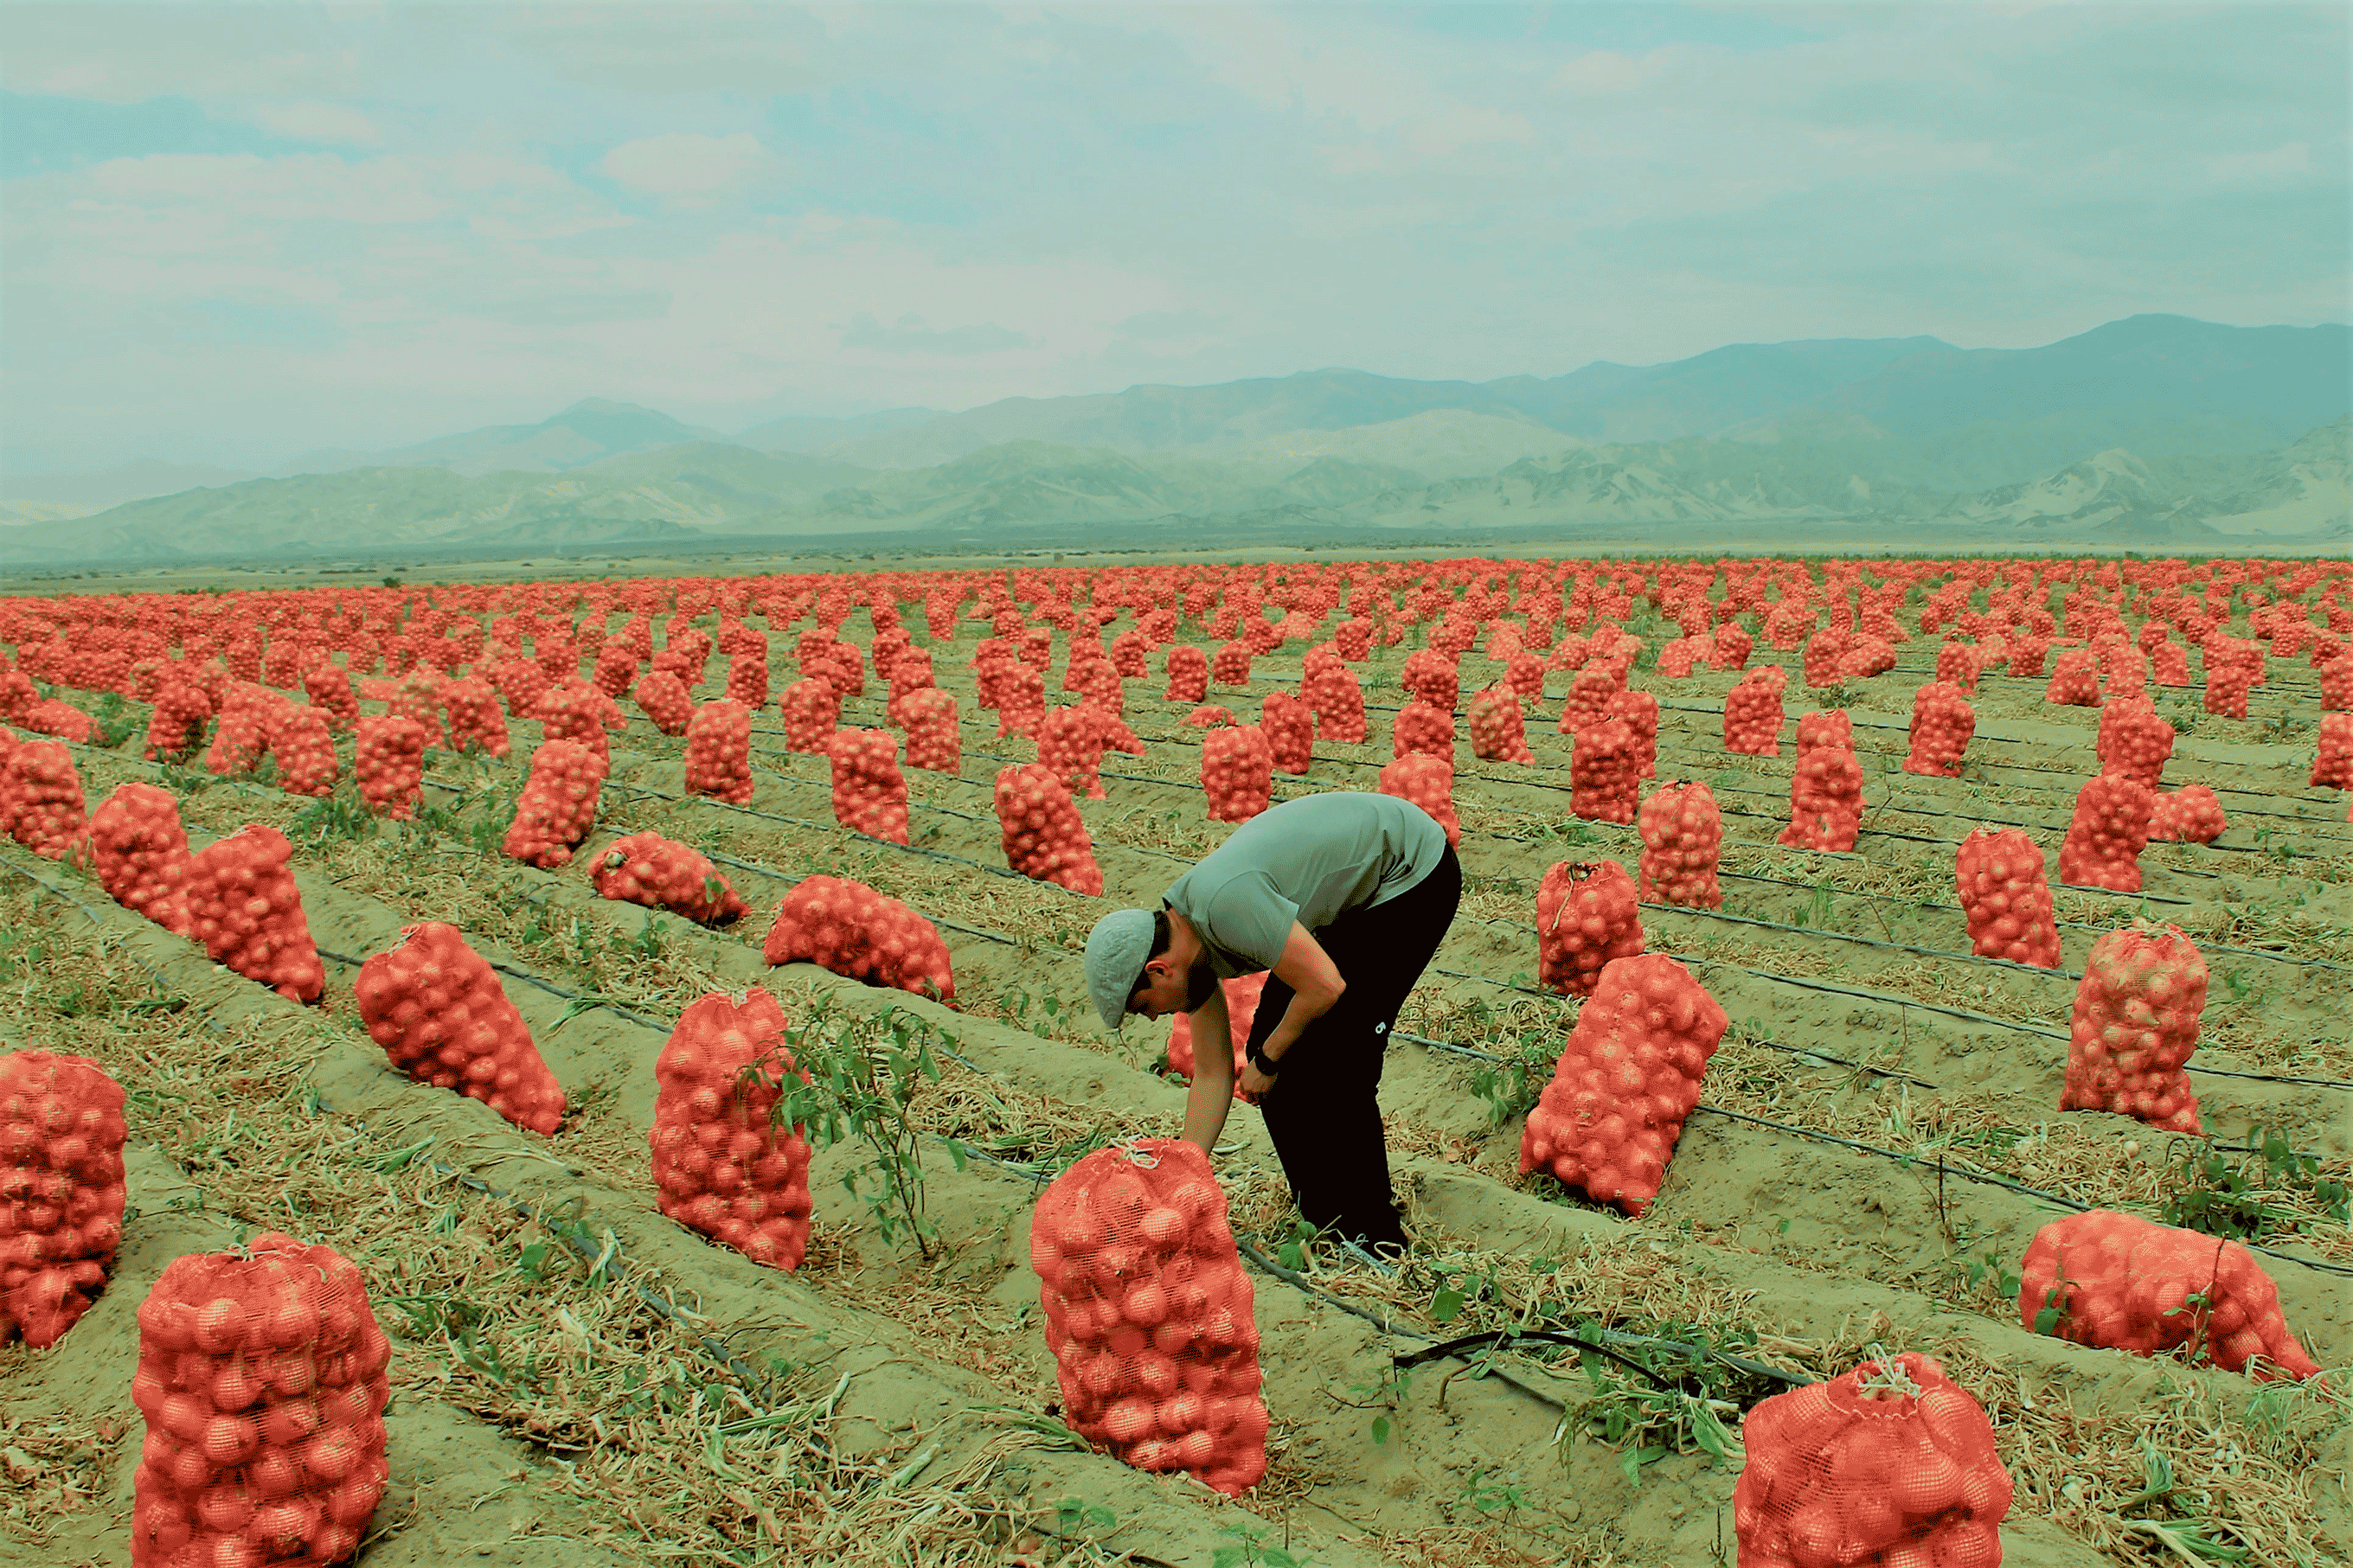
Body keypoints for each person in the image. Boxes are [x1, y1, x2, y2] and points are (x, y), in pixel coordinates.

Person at [1084, 790, 1462, 1258]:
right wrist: (1184, 1174)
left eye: (1143, 1007)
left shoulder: (1224, 907)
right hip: (1355, 892)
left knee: (1340, 1058)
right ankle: (1325, 1218)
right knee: (1277, 1059)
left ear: (1158, 971)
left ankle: (1374, 1236)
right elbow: (1213, 1074)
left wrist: (1267, 1059)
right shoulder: (1189, 947)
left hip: (1410, 873)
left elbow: (1325, 986)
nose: (1153, 1017)